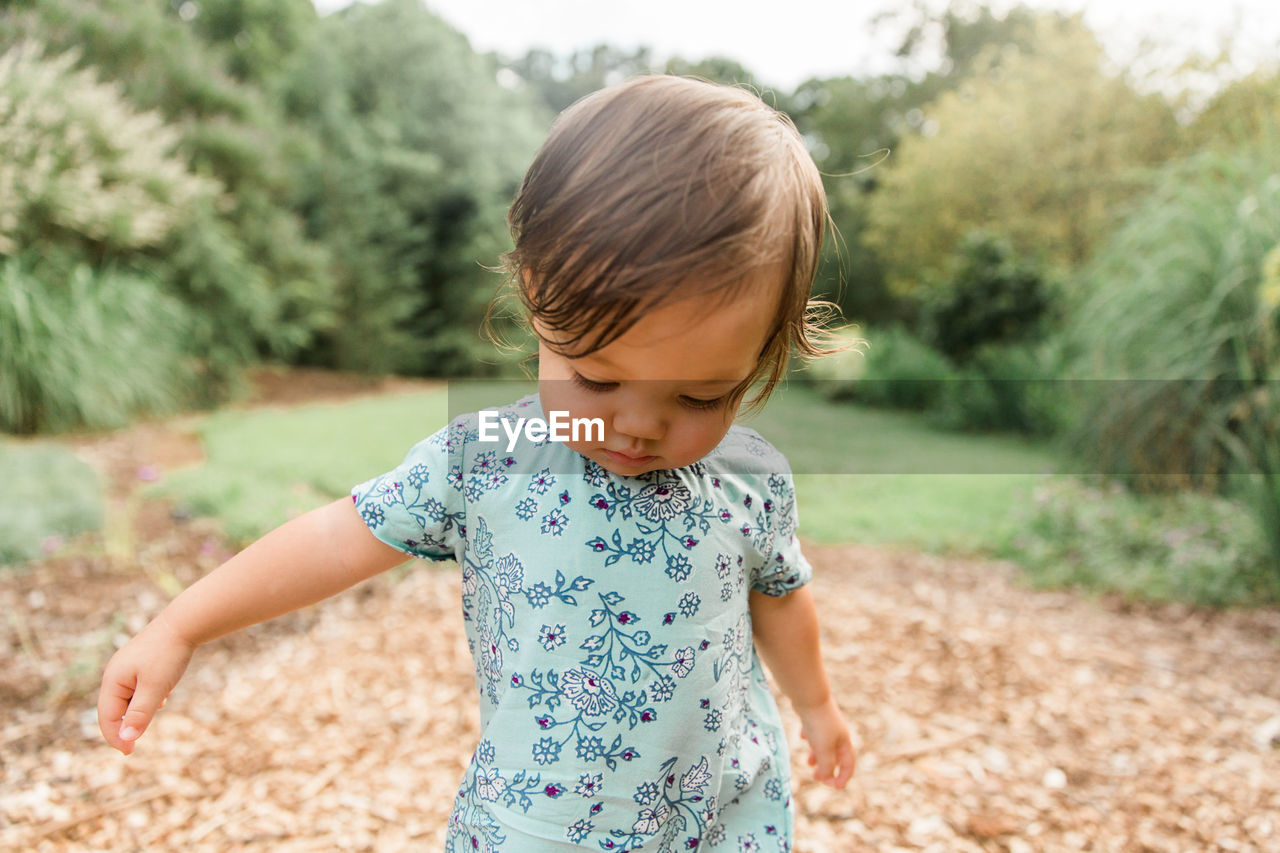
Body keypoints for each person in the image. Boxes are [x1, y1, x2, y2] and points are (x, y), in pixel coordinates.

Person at [98, 75, 856, 852]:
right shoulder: (488, 462)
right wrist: (182, 623)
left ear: (761, 361)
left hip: (718, 820)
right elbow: (339, 536)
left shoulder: (750, 475)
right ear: (536, 299)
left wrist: (818, 706)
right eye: (597, 378)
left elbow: (779, 596)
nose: (637, 425)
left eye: (701, 396)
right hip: (539, 825)